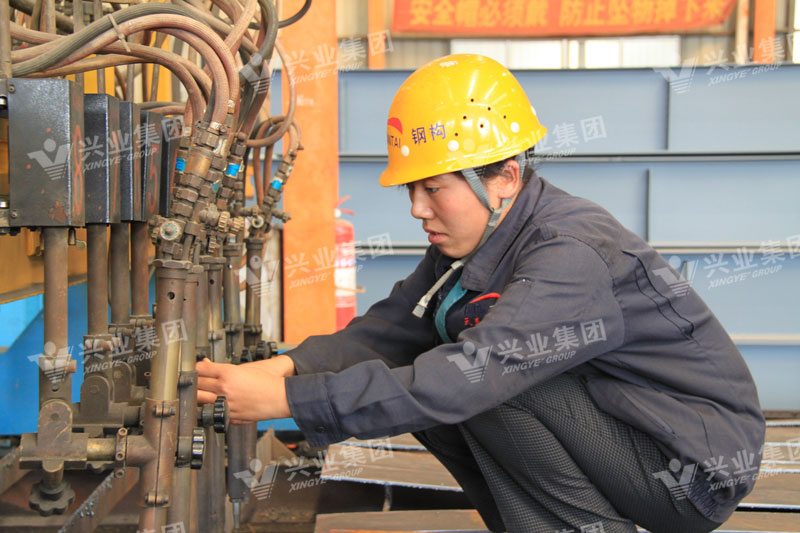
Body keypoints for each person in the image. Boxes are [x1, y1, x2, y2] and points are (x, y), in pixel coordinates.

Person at [197, 54, 765, 532]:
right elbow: (393, 328)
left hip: (688, 471)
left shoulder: (569, 253)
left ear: (506, 178)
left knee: (469, 379)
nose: (418, 209)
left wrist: (292, 404)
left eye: (434, 188)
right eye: (412, 190)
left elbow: (471, 374)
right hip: (622, 430)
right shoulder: (480, 238)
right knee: (434, 371)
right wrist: (286, 369)